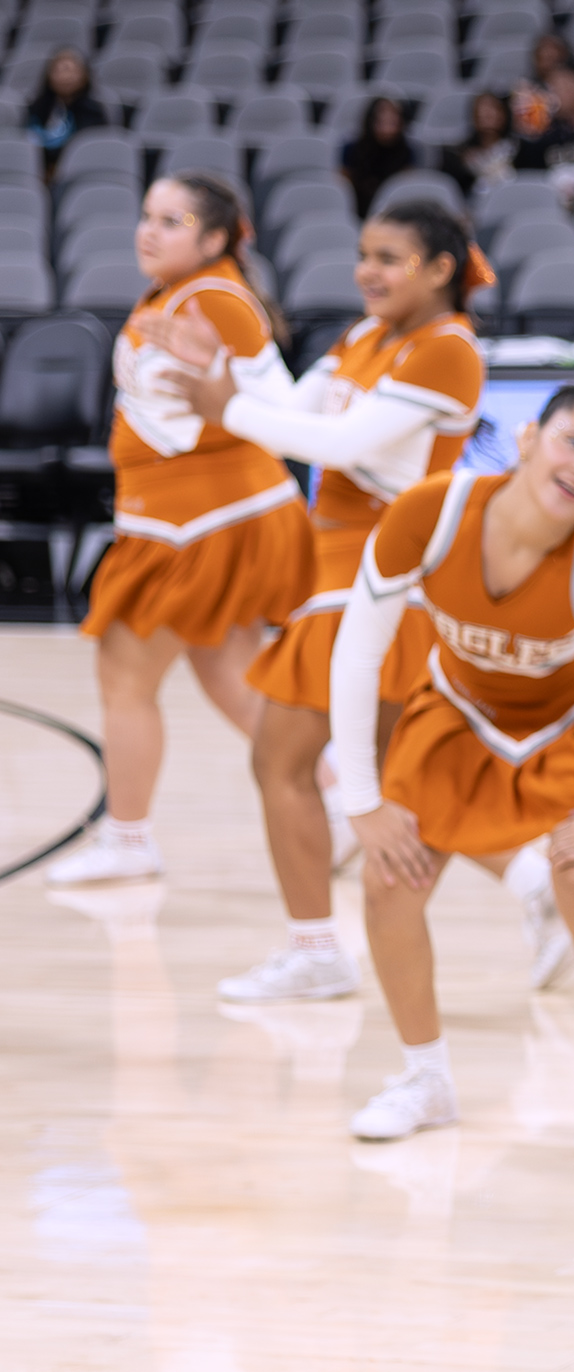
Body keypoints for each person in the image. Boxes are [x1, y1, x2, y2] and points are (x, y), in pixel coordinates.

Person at [151, 203, 527, 1005]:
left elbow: (338, 446)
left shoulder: (448, 349)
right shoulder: (365, 336)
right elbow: (293, 408)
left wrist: (227, 409)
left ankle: (325, 949)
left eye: (389, 258)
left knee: (306, 765)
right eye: (364, 254)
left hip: (385, 574)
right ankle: (540, 885)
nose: (367, 271)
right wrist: (226, 358)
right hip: (344, 570)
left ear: (440, 270)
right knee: (382, 774)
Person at [333, 386, 574, 1156]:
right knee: (389, 878)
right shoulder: (429, 513)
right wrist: (363, 800)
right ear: (529, 436)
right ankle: (425, 1080)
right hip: (465, 707)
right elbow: (358, 650)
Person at [48, 175, 312, 888]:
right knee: (229, 672)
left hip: (198, 525)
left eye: (172, 221)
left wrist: (219, 375)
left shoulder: (215, 298)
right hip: (192, 516)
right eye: (147, 216)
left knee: (124, 673)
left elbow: (282, 406)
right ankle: (336, 791)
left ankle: (129, 839)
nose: (149, 231)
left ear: (216, 238)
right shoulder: (183, 291)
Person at [518, 67, 574, 205]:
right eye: (550, 89)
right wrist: (527, 138)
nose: (552, 96)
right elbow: (528, 178)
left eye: (559, 87)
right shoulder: (548, 135)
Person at [23, 47, 108, 181]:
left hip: (78, 174)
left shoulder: (93, 111)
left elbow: (90, 147)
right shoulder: (38, 108)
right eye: (59, 71)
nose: (65, 77)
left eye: (71, 71)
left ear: (84, 76)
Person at [339, 96, 418, 218]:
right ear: (371, 119)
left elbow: (405, 188)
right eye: (382, 117)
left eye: (393, 118)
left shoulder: (407, 151)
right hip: (357, 209)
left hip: (393, 211)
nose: (388, 121)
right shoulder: (352, 149)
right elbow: (345, 188)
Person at [443, 91, 520, 193]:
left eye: (493, 109)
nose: (487, 114)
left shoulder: (520, 150)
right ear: (473, 117)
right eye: (481, 110)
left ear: (504, 114)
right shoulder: (460, 157)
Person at [513, 31, 574, 139]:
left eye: (553, 57)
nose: (548, 61)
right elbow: (525, 129)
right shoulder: (525, 89)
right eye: (543, 56)